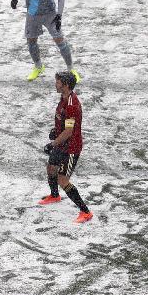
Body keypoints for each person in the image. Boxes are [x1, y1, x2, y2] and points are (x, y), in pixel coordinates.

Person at [11, 0, 81, 83]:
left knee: (59, 40)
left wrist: (59, 15)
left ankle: (71, 69)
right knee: (31, 41)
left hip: (49, 14)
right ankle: (38, 66)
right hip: (32, 13)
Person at [39, 72, 92, 223]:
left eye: (58, 82)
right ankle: (54, 196)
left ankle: (85, 211)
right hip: (61, 143)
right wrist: (56, 132)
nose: (55, 84)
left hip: (70, 148)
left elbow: (69, 132)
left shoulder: (71, 104)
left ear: (66, 85)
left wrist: (52, 143)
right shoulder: (63, 99)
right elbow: (64, 125)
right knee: (51, 168)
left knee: (63, 180)